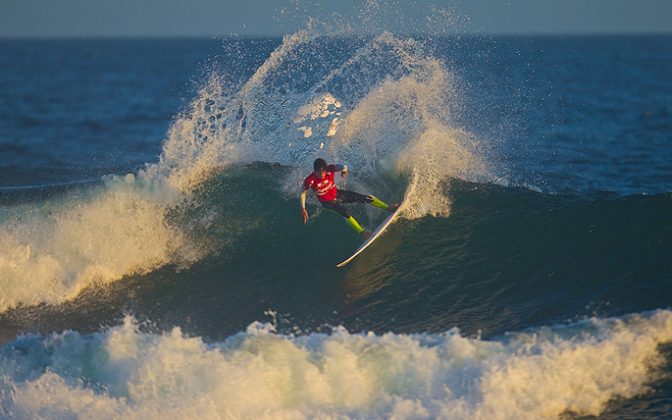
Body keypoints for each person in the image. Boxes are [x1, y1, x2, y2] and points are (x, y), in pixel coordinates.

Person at [300, 158, 398, 240]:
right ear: (315, 171)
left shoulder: (330, 169)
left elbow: (343, 166)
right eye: (318, 172)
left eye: (323, 171)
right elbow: (303, 192)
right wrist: (303, 208)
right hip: (327, 202)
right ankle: (362, 233)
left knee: (364, 198)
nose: (321, 174)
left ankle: (388, 207)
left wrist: (344, 171)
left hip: (337, 194)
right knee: (345, 212)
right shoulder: (310, 180)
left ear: (325, 169)